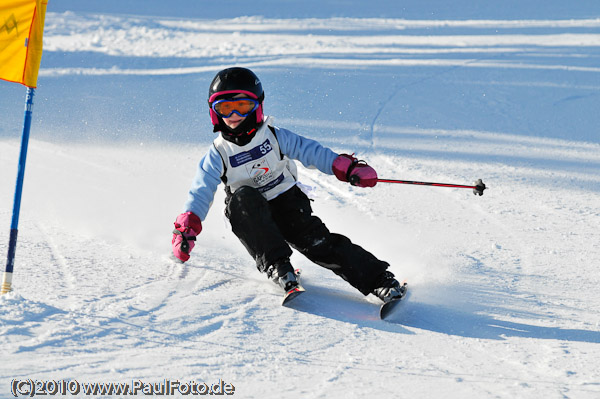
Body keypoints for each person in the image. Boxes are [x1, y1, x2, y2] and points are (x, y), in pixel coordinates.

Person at [171, 67, 404, 304]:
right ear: (214, 112)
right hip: (249, 214)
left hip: (288, 202)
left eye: (242, 106)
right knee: (241, 198)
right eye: (224, 107)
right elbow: (201, 191)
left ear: (257, 106)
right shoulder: (218, 154)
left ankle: (380, 281)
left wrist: (346, 168)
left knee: (318, 243)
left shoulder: (274, 137)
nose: (233, 114)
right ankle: (278, 266)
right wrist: (187, 227)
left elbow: (311, 151)